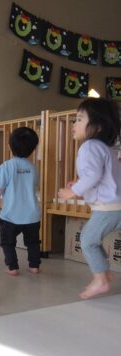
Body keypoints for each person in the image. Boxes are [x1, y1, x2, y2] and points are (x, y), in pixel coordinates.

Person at [58, 97, 121, 299]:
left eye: (79, 119)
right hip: (116, 205)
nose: (73, 124)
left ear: (98, 126)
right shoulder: (108, 148)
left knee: (87, 241)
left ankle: (100, 279)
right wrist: (78, 183)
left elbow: (93, 176)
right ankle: (104, 272)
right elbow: (101, 177)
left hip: (107, 208)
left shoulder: (89, 146)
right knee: (93, 239)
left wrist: (73, 192)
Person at [0, 127, 41, 276]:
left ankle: (13, 267)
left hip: (11, 216)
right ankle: (34, 266)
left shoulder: (6, 166)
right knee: (33, 242)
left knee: (7, 242)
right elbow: (34, 186)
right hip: (32, 216)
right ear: (33, 149)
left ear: (9, 146)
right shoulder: (34, 168)